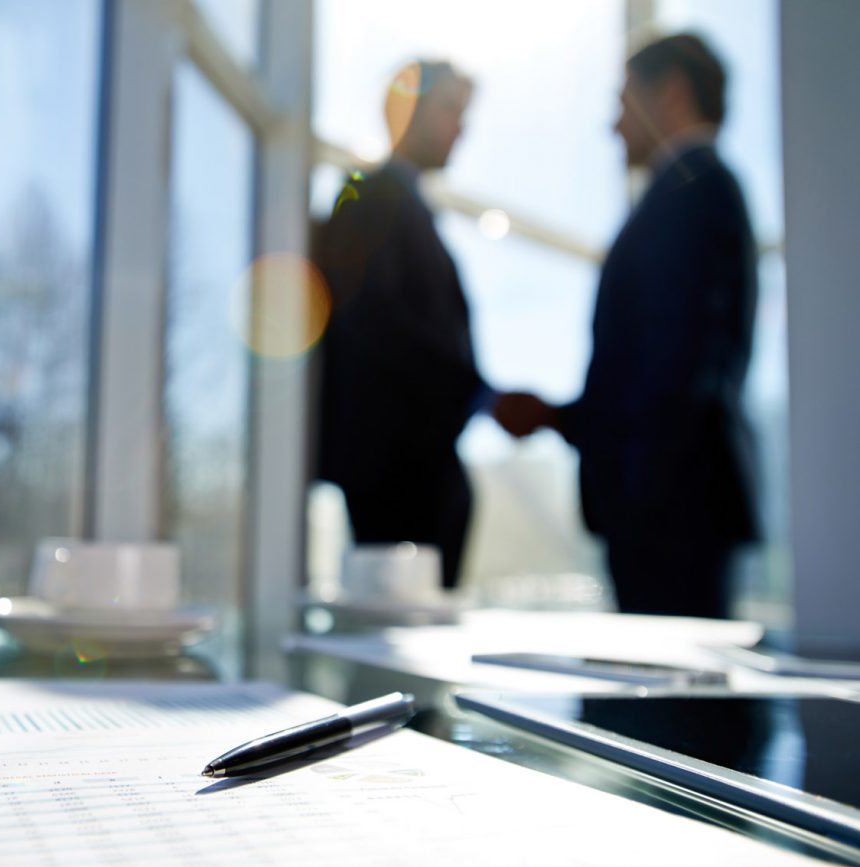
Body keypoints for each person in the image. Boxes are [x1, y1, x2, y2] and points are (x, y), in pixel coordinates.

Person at [494, 34, 759, 619]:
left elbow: (670, 373)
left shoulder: (693, 191)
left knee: (673, 702)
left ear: (669, 93)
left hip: (669, 511)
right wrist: (564, 418)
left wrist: (627, 486)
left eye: (622, 103)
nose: (613, 126)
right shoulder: (694, 192)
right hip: (670, 506)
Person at [316, 60, 491, 589]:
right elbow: (376, 320)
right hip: (395, 468)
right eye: (450, 110)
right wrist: (478, 392)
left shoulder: (395, 200)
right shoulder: (368, 194)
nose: (461, 127)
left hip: (411, 464)